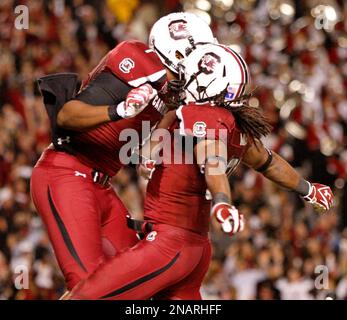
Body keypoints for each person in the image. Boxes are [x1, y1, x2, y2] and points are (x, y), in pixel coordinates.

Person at [66, 43, 334, 300]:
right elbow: (269, 162)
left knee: (85, 294)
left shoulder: (203, 115)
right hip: (196, 250)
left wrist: (222, 201)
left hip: (169, 243)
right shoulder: (230, 122)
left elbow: (211, 158)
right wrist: (308, 189)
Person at [30, 12, 215, 292]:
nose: (202, 65)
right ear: (178, 51)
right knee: (89, 287)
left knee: (132, 283)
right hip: (66, 172)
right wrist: (119, 110)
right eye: (199, 55)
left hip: (103, 185)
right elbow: (66, 116)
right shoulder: (140, 62)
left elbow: (158, 123)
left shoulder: (174, 88)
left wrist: (152, 151)